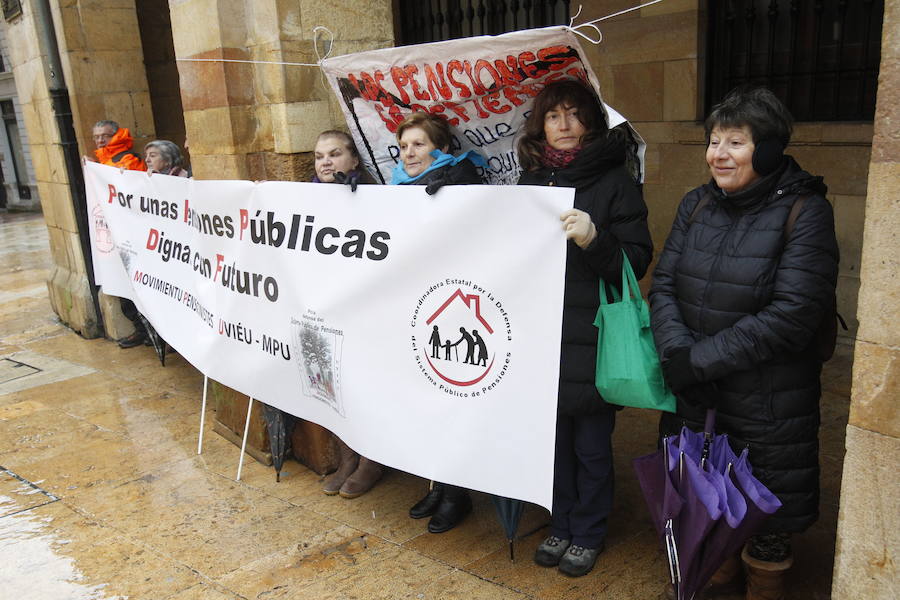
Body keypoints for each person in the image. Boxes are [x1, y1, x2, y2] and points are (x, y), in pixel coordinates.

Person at [649, 86, 838, 600]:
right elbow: (663, 286)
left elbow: (793, 316)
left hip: (769, 403)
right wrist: (677, 357)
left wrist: (700, 361)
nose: (719, 154)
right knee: (708, 506)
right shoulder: (695, 204)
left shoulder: (806, 212)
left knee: (764, 519)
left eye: (736, 141)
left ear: (771, 149)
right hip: (698, 394)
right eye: (713, 141)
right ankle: (714, 578)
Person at [517, 80, 652, 577]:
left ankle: (589, 531)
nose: (564, 125)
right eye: (554, 116)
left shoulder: (616, 184)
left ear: (591, 122)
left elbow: (635, 262)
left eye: (574, 114)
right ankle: (561, 523)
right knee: (552, 443)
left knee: (592, 446)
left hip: (593, 337)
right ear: (541, 126)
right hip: (540, 336)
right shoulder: (527, 185)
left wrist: (595, 239)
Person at [392, 111, 486, 534]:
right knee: (425, 402)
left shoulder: (463, 179)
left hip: (454, 310)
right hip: (416, 306)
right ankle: (439, 482)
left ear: (441, 149)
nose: (409, 153)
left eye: (418, 145)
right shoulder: (395, 187)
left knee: (453, 401)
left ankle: (458, 494)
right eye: (404, 146)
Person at [310, 130, 383, 499]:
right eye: (320, 155)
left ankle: (371, 460)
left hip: (361, 310)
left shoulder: (372, 199)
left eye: (335, 154)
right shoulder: (303, 199)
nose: (325, 162)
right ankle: (347, 458)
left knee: (363, 383)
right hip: (323, 307)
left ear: (354, 160)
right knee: (330, 384)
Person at [90, 120, 149, 348]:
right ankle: (139, 327)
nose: (100, 140)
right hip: (113, 233)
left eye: (104, 136)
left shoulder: (128, 160)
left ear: (116, 136)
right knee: (121, 283)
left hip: (131, 234)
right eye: (96, 137)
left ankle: (149, 328)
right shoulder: (102, 161)